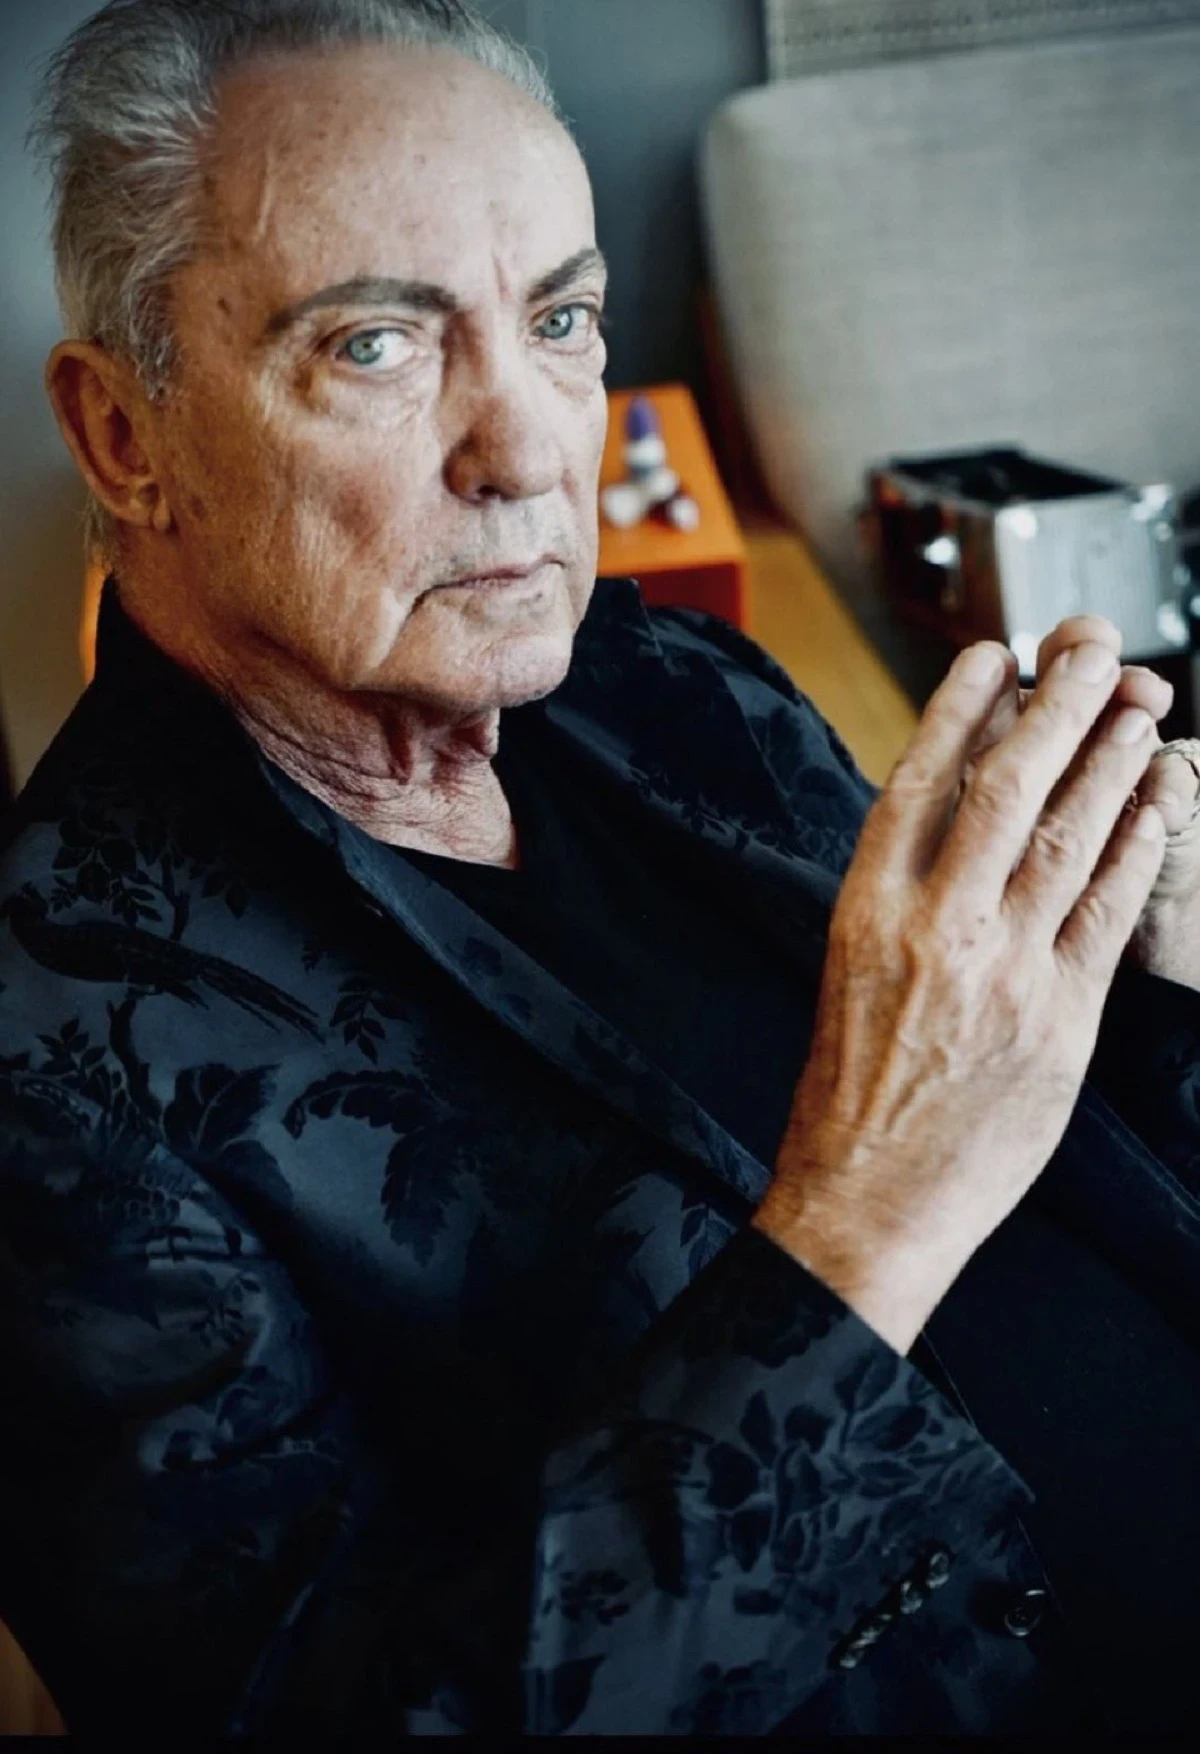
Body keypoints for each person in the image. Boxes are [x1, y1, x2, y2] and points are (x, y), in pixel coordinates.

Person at [1, 0, 1199, 1735]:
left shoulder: (669, 677)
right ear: (126, 433)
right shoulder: (55, 1067)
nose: (529, 452)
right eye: (375, 346)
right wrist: (868, 1213)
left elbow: (1057, 1142)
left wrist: (1156, 980)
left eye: (561, 320)